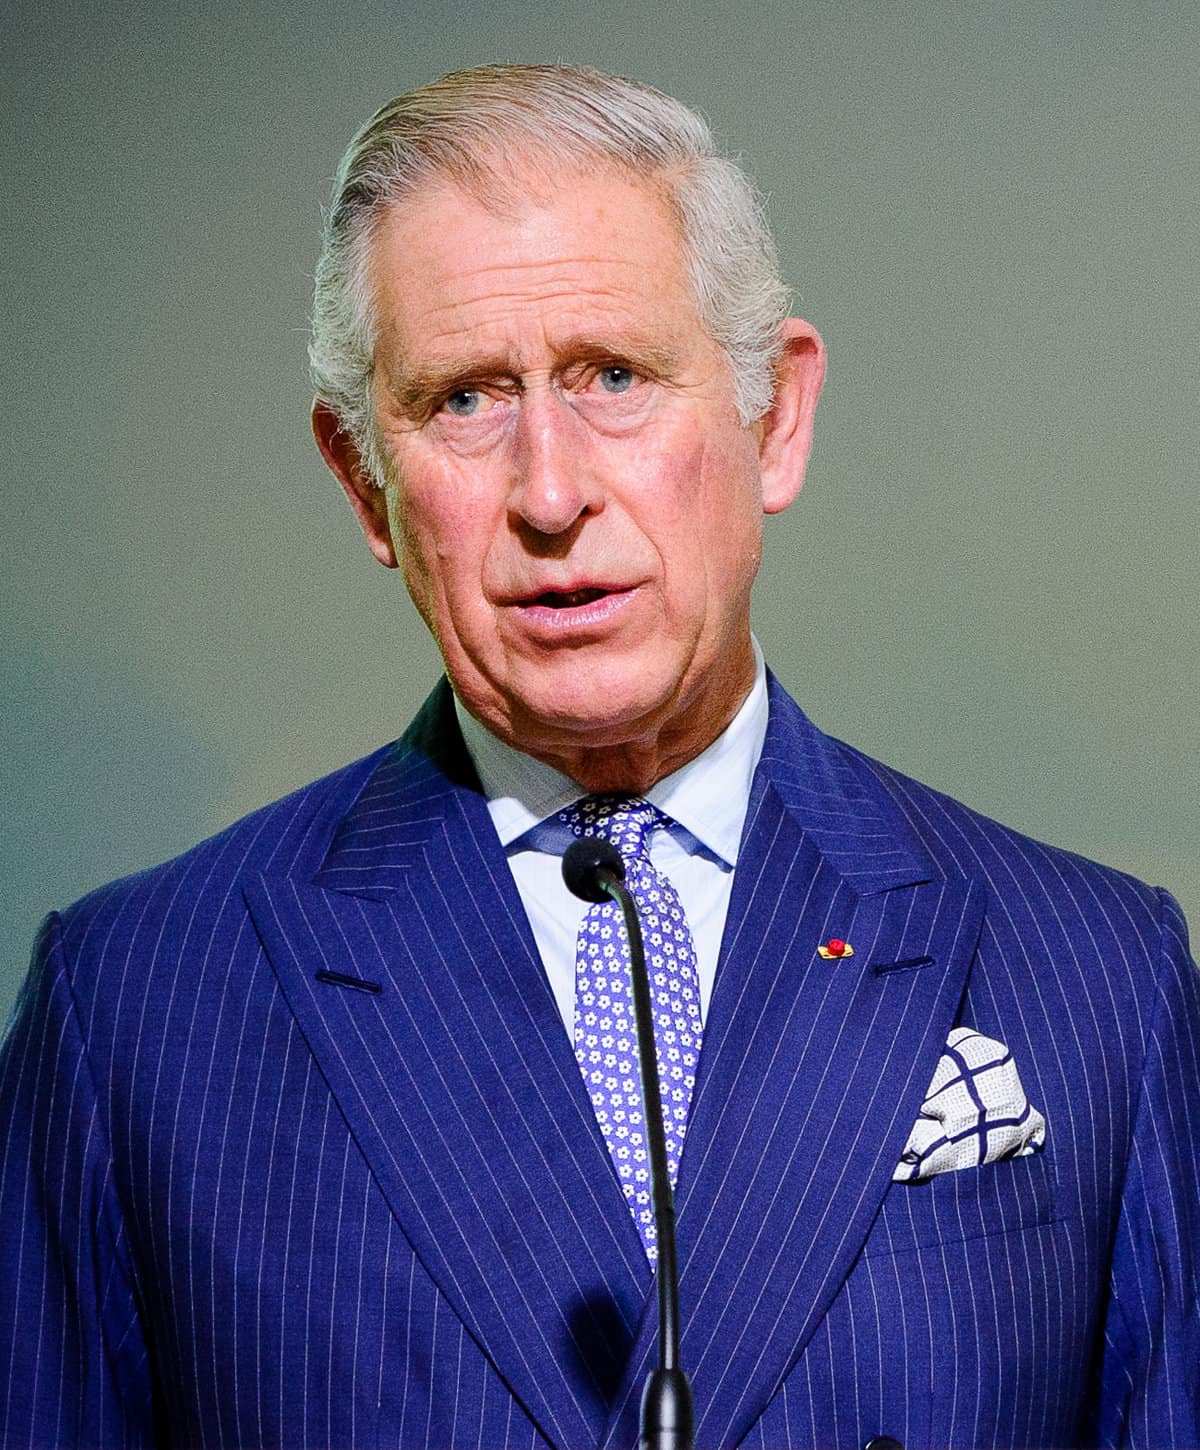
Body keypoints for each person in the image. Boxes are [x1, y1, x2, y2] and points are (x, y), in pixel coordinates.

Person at [1, 62, 1197, 1450]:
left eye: (613, 375)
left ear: (775, 417)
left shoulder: (1101, 976)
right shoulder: (137, 1012)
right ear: (362, 481)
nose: (551, 491)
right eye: (463, 401)